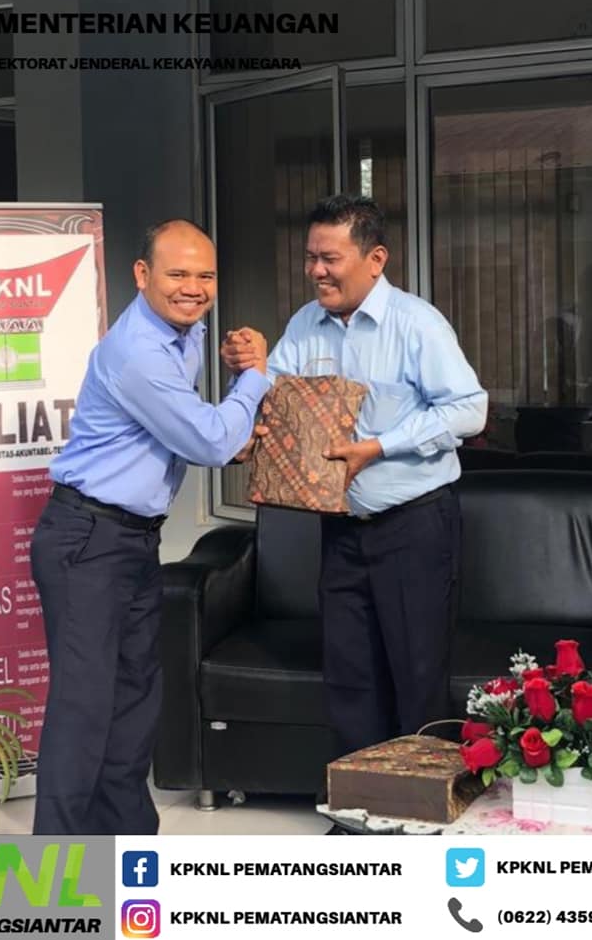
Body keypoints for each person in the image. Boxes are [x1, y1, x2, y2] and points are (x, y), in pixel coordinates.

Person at [221, 194, 487, 772]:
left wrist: (381, 446)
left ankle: (416, 808)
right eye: (310, 257)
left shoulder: (416, 323)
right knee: (349, 679)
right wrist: (249, 377)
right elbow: (276, 401)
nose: (317, 271)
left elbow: (470, 409)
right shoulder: (305, 324)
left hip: (414, 526)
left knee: (417, 676)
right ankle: (359, 805)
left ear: (375, 259)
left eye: (330, 259)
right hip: (340, 531)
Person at [31, 219, 270, 835]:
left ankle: (129, 850)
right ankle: (57, 867)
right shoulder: (138, 350)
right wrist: (253, 377)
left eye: (205, 275)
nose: (194, 288)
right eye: (177, 273)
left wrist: (226, 404)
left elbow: (181, 430)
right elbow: (209, 439)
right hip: (87, 539)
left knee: (136, 699)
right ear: (142, 275)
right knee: (84, 710)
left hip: (135, 538)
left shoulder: (183, 333)